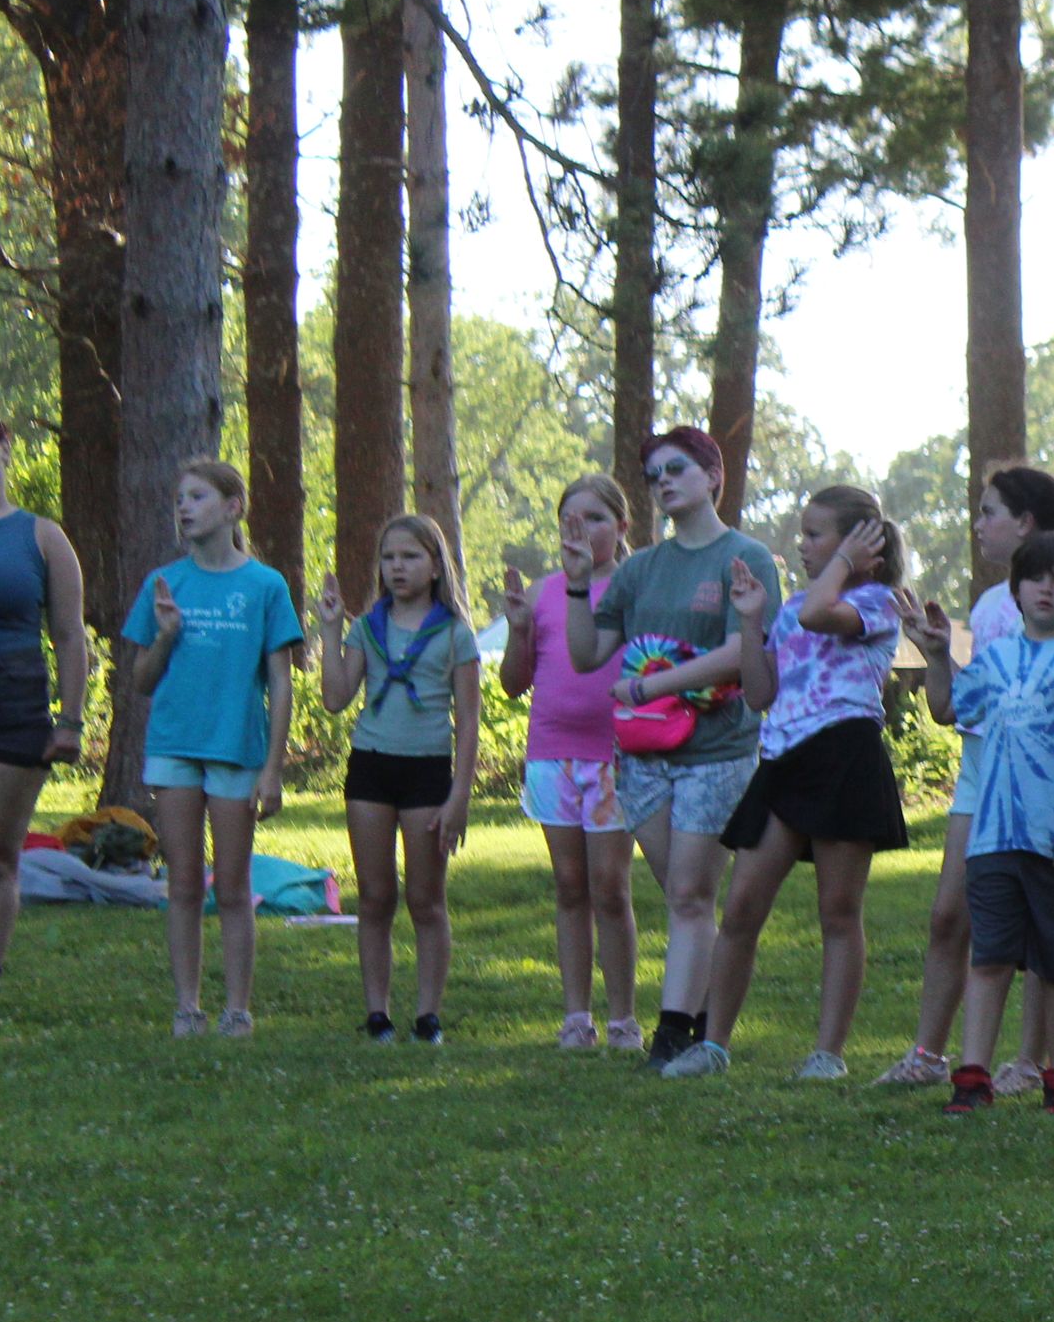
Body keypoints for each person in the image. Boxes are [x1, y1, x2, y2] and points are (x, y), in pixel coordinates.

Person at [663, 487, 910, 1080]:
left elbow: (819, 614)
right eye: (803, 534)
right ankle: (713, 1044)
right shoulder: (793, 604)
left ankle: (828, 1055)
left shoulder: (879, 601)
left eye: (815, 535)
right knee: (743, 905)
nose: (801, 545)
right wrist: (750, 623)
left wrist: (849, 563)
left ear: (859, 546)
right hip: (784, 759)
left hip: (844, 757)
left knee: (838, 913)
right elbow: (760, 692)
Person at [569, 425, 781, 1067]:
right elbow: (587, 656)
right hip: (642, 757)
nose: (664, 480)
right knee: (682, 894)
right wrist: (578, 585)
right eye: (655, 472)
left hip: (719, 752)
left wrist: (655, 683)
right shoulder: (638, 569)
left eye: (678, 468)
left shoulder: (747, 557)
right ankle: (705, 1020)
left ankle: (671, 1035)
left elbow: (736, 657)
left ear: (714, 476)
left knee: (690, 893)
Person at [884, 463, 1054, 1088]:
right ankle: (930, 1055)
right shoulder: (988, 604)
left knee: (1042, 930)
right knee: (950, 915)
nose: (978, 523)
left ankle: (1031, 1063)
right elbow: (962, 704)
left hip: (1045, 784)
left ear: (1025, 523)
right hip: (983, 775)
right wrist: (935, 653)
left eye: (988, 512)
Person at [916, 528, 1054, 1115]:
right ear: (1015, 591)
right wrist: (938, 655)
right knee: (987, 958)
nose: (1047, 589)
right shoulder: (996, 660)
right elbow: (946, 708)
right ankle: (972, 1078)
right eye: (1036, 578)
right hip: (993, 839)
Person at [124, 460, 301, 1037]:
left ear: (233, 508)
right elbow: (142, 681)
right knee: (182, 882)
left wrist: (272, 769)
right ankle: (187, 1007)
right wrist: (168, 634)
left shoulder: (265, 586)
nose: (183, 507)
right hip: (175, 747)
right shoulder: (164, 583)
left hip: (236, 750)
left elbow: (280, 682)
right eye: (179, 498)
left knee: (231, 886)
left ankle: (237, 1009)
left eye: (197, 496)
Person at [313, 513, 479, 1043]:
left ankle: (428, 1014)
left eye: (410, 557)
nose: (398, 567)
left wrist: (460, 797)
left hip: (428, 772)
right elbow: (336, 699)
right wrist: (332, 630)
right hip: (371, 767)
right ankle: (377, 1013)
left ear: (435, 565)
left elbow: (470, 723)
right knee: (375, 896)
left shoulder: (455, 633)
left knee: (426, 900)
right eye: (389, 558)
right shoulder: (369, 627)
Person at [498, 476, 642, 1050]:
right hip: (552, 755)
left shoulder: (636, 589)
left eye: (595, 519)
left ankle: (624, 1018)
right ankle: (576, 1017)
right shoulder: (540, 593)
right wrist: (517, 630)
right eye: (569, 520)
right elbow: (512, 685)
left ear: (623, 527)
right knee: (569, 885)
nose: (579, 531)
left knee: (610, 886)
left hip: (617, 755)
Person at [0, 398, 88, 1026]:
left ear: (4, 445)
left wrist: (70, 722)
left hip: (11, 702)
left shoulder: (42, 536)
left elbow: (70, 635)